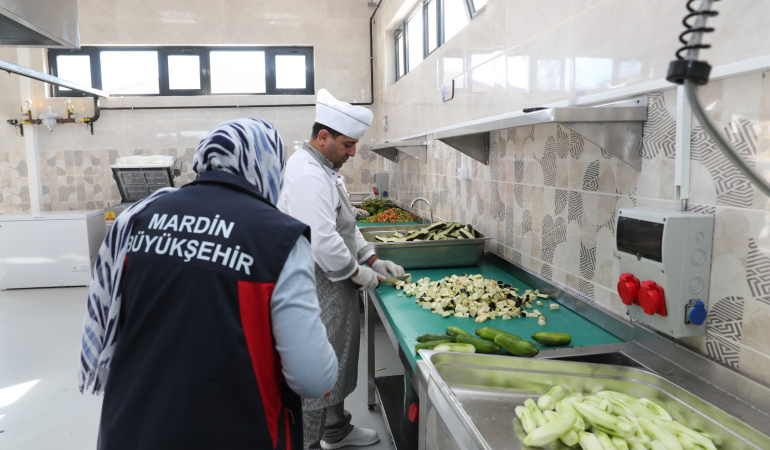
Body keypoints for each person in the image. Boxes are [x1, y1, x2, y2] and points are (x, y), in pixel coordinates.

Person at [78, 118, 338, 450]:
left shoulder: (139, 219)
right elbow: (312, 377)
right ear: (269, 164)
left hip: (130, 428)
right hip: (235, 430)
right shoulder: (278, 237)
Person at [278, 89, 405, 450]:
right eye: (348, 145)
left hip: (336, 283)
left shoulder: (326, 170)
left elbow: (346, 226)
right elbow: (322, 241)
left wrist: (372, 259)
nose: (353, 153)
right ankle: (308, 441)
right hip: (316, 285)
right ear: (323, 137)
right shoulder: (306, 174)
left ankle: (335, 430)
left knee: (340, 356)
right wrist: (357, 273)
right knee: (319, 368)